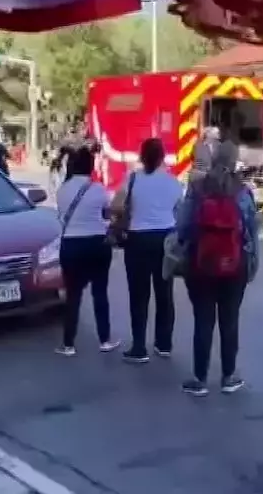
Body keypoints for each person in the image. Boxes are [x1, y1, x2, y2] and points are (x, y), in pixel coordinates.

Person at [176, 143, 259, 395]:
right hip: (235, 265)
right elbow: (251, 232)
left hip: (202, 263)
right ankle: (228, 376)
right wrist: (252, 261)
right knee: (229, 320)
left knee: (203, 320)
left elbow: (184, 226)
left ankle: (199, 378)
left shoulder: (197, 188)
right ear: (235, 162)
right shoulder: (243, 192)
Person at [113, 138, 183, 364]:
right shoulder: (173, 183)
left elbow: (116, 206)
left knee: (139, 296)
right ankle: (163, 344)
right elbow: (179, 212)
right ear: (163, 157)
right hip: (165, 241)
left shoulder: (132, 179)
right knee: (165, 294)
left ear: (142, 156)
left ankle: (139, 347)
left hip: (137, 241)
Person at [55, 147, 119, 356]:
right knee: (100, 293)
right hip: (97, 245)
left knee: (73, 295)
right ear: (91, 167)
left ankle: (68, 344)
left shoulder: (62, 190)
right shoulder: (99, 189)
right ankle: (105, 340)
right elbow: (107, 214)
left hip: (71, 245)